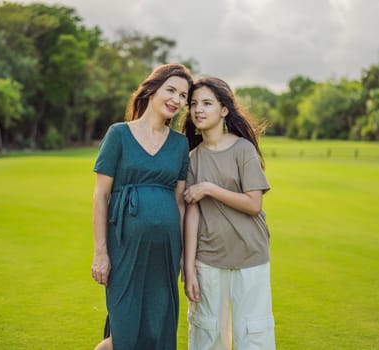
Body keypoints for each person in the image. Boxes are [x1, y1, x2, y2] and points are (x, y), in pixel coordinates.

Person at [91, 63, 193, 350]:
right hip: (123, 248)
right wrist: (101, 252)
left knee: (158, 330)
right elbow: (100, 196)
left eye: (183, 96)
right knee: (123, 334)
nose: (176, 100)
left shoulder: (180, 144)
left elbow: (179, 203)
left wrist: (184, 256)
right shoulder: (119, 134)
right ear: (151, 90)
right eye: (171, 90)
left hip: (166, 253)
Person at [181, 76, 276, 350]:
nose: (198, 109)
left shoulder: (243, 149)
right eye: (194, 104)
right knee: (207, 334)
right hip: (208, 259)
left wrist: (209, 188)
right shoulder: (191, 157)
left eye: (207, 103)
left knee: (253, 335)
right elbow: (192, 214)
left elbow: (253, 204)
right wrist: (189, 266)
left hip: (251, 255)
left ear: (224, 110)